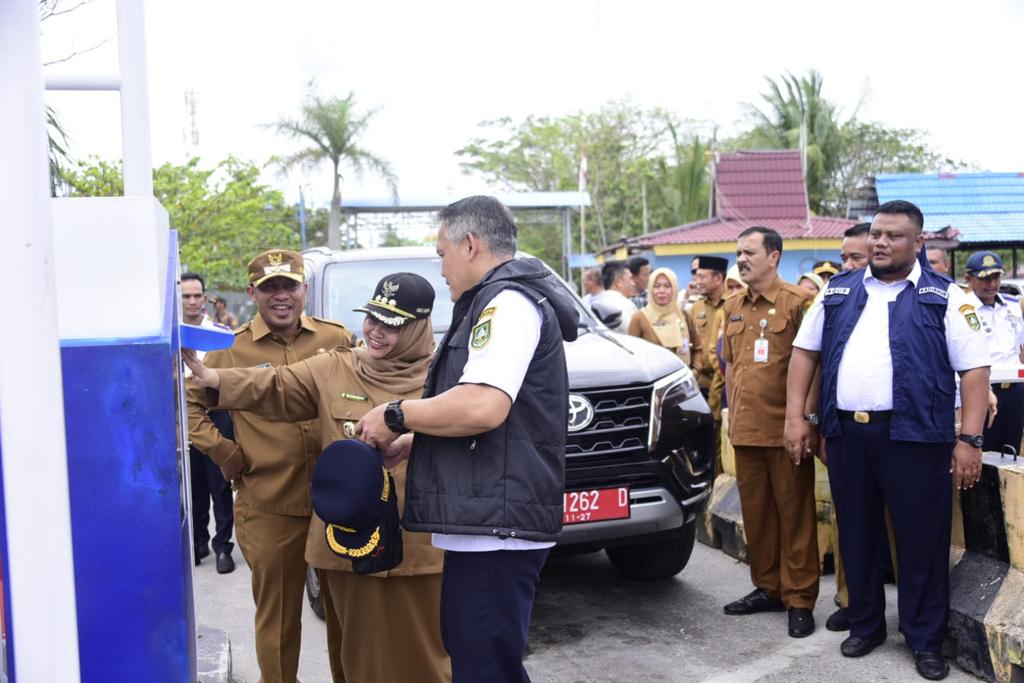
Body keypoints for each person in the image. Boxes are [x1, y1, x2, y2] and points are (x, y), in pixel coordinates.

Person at [185, 273, 451, 683]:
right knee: (359, 661)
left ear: (418, 327)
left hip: (421, 550)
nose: (376, 331)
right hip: (351, 546)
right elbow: (275, 385)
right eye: (373, 318)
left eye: (392, 324)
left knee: (429, 660)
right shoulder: (337, 366)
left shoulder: (449, 377)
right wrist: (215, 379)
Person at [356, 195, 579, 683]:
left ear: (471, 244)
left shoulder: (507, 304)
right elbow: (500, 419)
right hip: (486, 521)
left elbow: (483, 406)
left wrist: (397, 415)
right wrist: (417, 442)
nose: (441, 269)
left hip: (495, 529)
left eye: (442, 253)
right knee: (479, 658)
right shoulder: (492, 302)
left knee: (484, 666)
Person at [785, 200, 990, 681]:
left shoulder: (946, 297)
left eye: (893, 236)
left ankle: (924, 638)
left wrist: (970, 440)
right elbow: (804, 355)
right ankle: (866, 625)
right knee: (855, 532)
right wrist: (799, 417)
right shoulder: (837, 291)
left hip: (917, 437)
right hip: (848, 435)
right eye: (876, 233)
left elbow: (975, 372)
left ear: (918, 243)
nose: (880, 242)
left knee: (922, 540)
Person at [187, 249, 355, 683]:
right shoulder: (230, 347)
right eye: (269, 288)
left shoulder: (335, 338)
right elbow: (188, 406)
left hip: (337, 503)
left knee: (345, 617)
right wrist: (226, 453)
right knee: (278, 622)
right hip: (269, 504)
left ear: (304, 289)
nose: (281, 296)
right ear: (252, 293)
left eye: (289, 285)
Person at [719, 226, 819, 639]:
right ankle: (768, 587)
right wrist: (729, 413)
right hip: (746, 431)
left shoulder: (799, 303)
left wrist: (808, 421)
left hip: (786, 431)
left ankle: (799, 599)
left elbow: (816, 366)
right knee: (758, 519)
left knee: (795, 516)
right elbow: (730, 366)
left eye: (750, 252)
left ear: (774, 256)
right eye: (739, 253)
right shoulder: (733, 305)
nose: (742, 260)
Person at [181, 273, 236, 573]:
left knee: (220, 484)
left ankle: (223, 546)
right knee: (194, 487)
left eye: (197, 295)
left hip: (216, 418)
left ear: (205, 297)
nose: (192, 301)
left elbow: (232, 379)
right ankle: (197, 541)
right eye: (186, 295)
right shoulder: (171, 336)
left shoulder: (220, 334)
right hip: (184, 420)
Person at [963, 251, 1024, 454]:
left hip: (1015, 389)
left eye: (996, 277)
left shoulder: (1013, 306)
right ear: (969, 279)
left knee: (1012, 450)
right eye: (985, 278)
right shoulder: (963, 310)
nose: (991, 284)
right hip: (981, 389)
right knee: (983, 451)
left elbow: (1020, 348)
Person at [628, 267, 701, 369]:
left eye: (667, 286)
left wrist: (695, 372)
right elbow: (631, 354)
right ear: (650, 289)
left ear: (675, 288)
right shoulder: (640, 318)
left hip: (683, 379)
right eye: (656, 286)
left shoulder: (684, 315)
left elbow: (698, 348)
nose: (661, 291)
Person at [691, 256, 729, 428]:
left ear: (718, 278)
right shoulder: (696, 307)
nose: (697, 281)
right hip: (701, 384)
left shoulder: (732, 304)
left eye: (702, 277)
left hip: (724, 381)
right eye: (696, 276)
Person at [591, 260, 637, 332]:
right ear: (618, 281)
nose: (633, 284)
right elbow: (634, 335)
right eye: (630, 278)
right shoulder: (626, 305)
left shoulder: (597, 304)